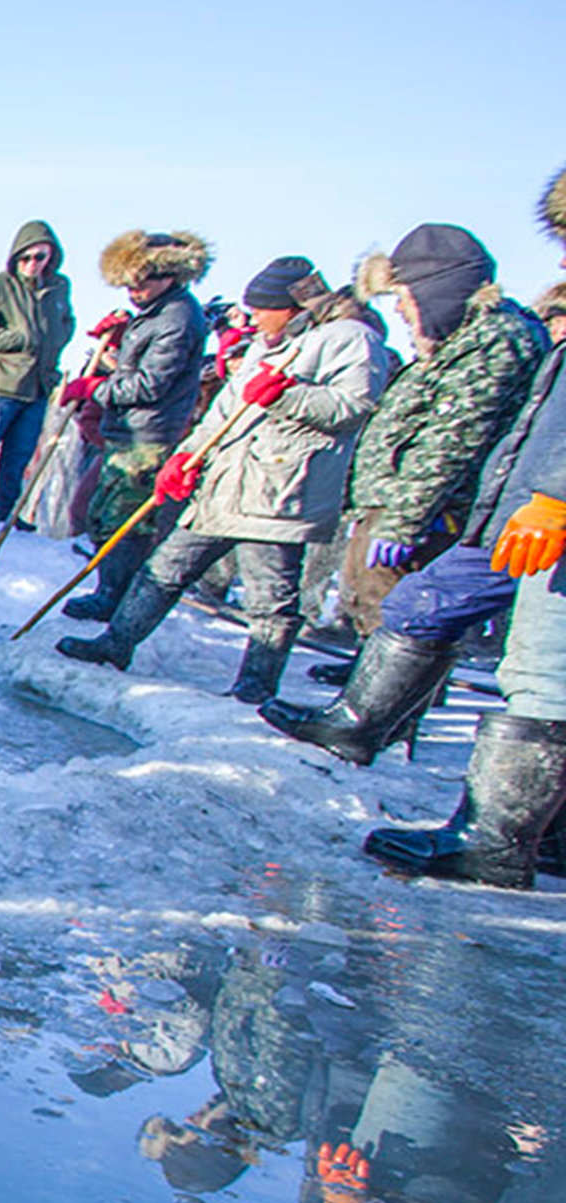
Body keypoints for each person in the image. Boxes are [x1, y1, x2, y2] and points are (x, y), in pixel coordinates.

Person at [264, 223, 552, 766]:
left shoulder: (495, 342)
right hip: (419, 504)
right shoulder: (460, 343)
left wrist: (403, 519)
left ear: (436, 290)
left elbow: (451, 438)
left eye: (403, 297)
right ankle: (366, 714)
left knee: (411, 604)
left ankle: (376, 726)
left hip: (438, 509)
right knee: (402, 605)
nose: (398, 311)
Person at [359, 178, 566, 887]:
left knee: (544, 676)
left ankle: (496, 843)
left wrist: (557, 496)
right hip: (525, 507)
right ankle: (544, 836)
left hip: (549, 514)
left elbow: (463, 433)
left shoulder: (500, 339)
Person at [58, 259, 382, 702]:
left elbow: (355, 405)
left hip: (280, 488)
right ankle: (117, 642)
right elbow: (226, 409)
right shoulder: (263, 345)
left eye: (260, 310)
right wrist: (188, 454)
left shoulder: (348, 338)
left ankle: (256, 682)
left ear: (289, 308)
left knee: (271, 595)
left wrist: (289, 395)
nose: (251, 319)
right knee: (165, 567)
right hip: (226, 483)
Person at [59, 229, 213, 622]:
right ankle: (108, 588)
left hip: (148, 435)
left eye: (141, 282)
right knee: (101, 513)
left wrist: (95, 388)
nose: (134, 290)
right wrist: (119, 339)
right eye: (129, 284)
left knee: (123, 521)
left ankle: (114, 596)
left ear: (167, 274)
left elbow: (150, 383)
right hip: (128, 430)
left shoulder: (177, 316)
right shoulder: (156, 313)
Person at [0, 221, 75, 528]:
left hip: (38, 386)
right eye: (26, 257)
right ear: (15, 256)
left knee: (18, 458)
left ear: (51, 256)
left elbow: (67, 322)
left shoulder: (59, 288)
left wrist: (57, 341)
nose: (33, 264)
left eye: (40, 257)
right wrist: (20, 338)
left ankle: (2, 517)